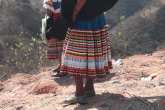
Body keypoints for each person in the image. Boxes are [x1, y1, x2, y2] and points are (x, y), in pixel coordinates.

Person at [60, 0, 112, 104]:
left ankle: (79, 94)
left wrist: (75, 12)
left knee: (77, 53)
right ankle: (89, 87)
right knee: (91, 50)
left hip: (83, 16)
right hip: (96, 15)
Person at [43, 0, 65, 77]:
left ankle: (62, 68)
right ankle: (62, 66)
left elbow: (49, 13)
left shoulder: (50, 0)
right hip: (67, 22)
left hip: (56, 23)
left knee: (59, 45)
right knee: (64, 45)